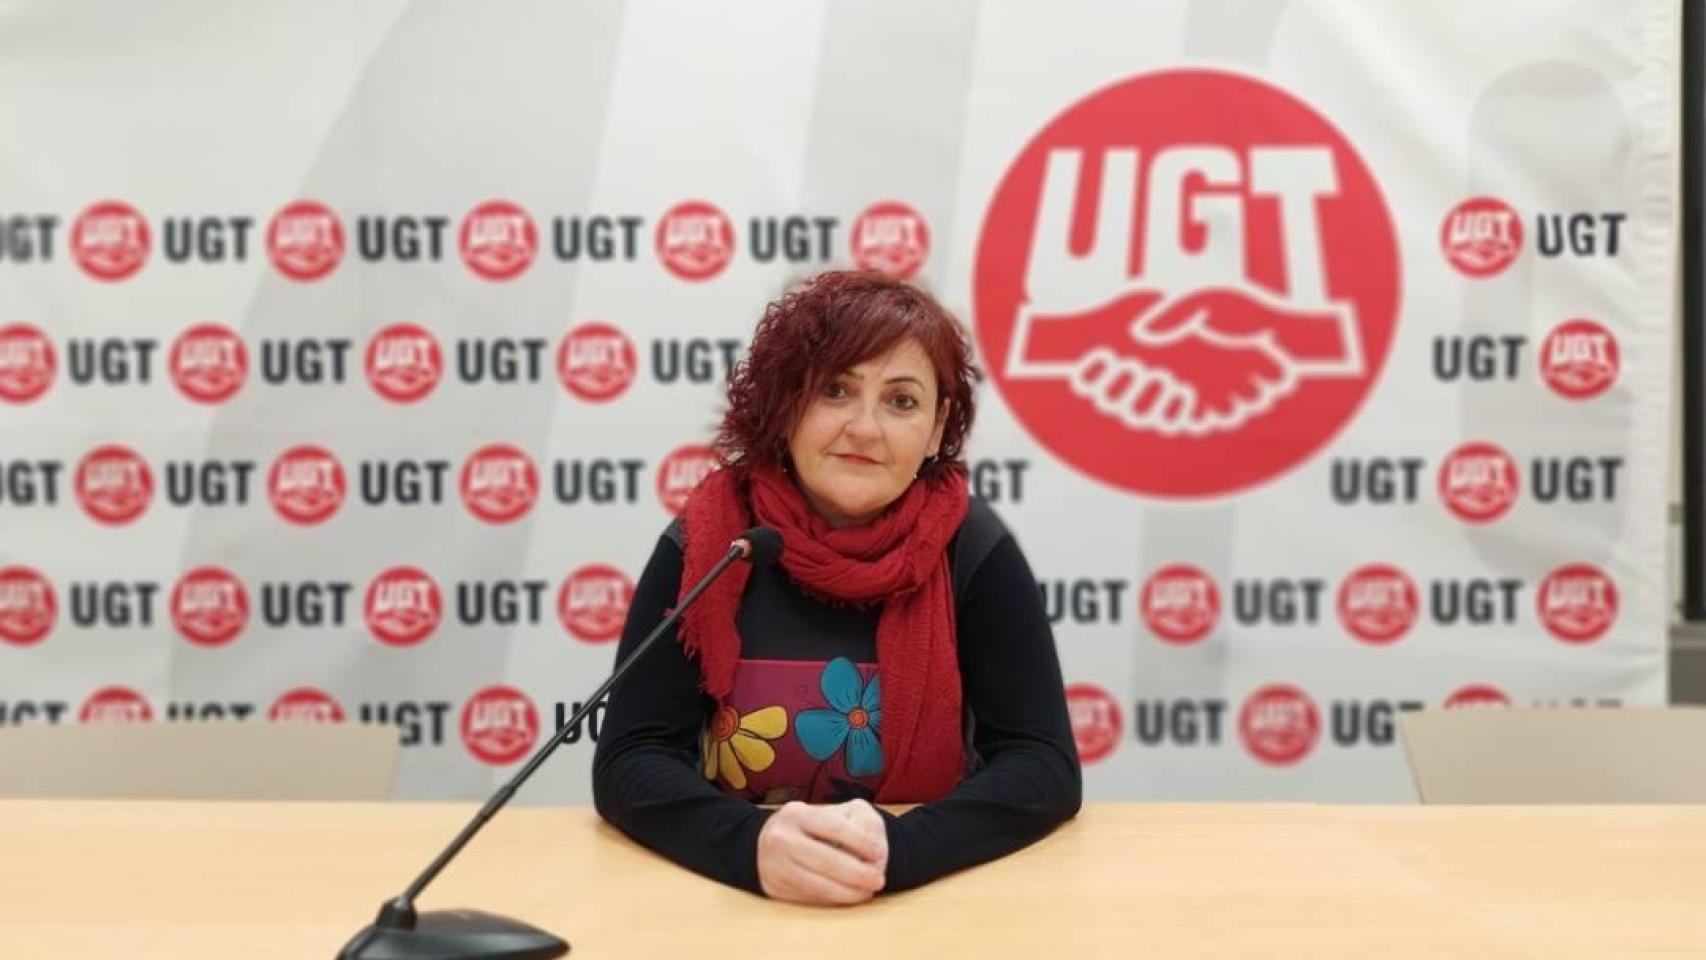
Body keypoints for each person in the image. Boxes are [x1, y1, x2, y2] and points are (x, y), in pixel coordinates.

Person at [592, 270, 1080, 905]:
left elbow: (1042, 763)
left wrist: (900, 851)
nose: (865, 428)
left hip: (921, 902)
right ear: (784, 404)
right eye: (835, 390)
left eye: (901, 401)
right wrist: (748, 847)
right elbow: (631, 757)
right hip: (730, 901)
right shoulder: (713, 541)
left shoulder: (971, 547)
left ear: (936, 428)